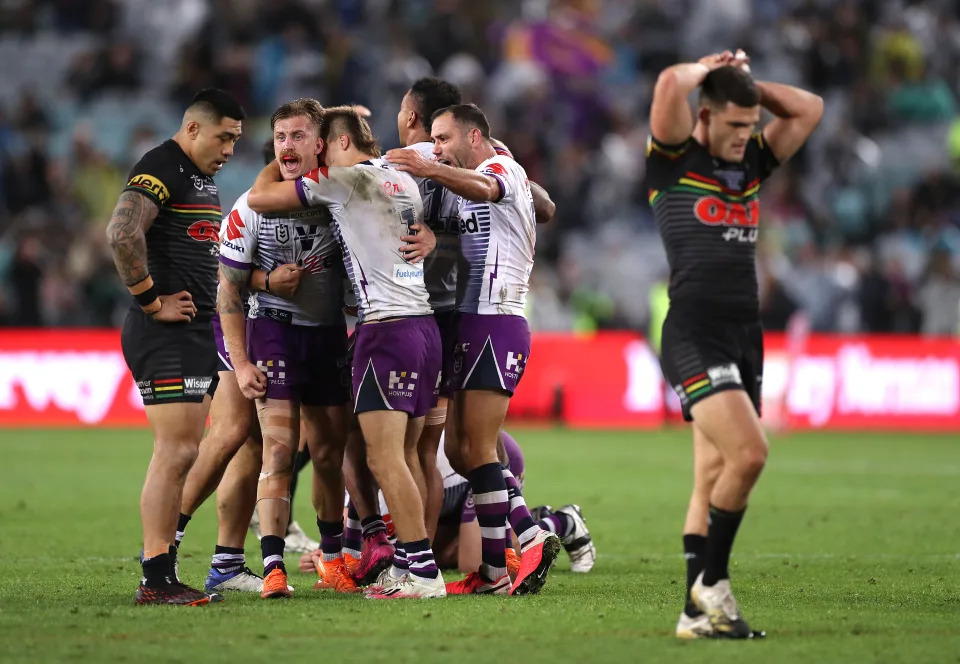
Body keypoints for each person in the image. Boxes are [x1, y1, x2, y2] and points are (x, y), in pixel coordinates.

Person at [647, 50, 822, 638]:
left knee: (712, 475)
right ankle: (713, 582)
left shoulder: (747, 164)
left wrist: (748, 88)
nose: (746, 136)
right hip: (694, 329)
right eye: (735, 125)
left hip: (746, 333)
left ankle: (697, 617)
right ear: (704, 116)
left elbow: (809, 109)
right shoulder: (673, 160)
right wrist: (710, 69)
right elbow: (671, 81)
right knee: (751, 454)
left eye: (751, 127)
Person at [247, 106, 445, 599]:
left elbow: (260, 198)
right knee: (404, 455)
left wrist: (282, 157)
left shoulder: (346, 180)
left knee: (383, 459)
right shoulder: (401, 179)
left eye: (312, 143)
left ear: (333, 143)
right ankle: (410, 565)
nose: (301, 152)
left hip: (386, 331)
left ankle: (422, 573)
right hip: (424, 330)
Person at [386, 104, 561, 597]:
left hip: (496, 320)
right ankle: (491, 571)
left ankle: (531, 533)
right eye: (433, 141)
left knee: (479, 447)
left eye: (443, 139)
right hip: (473, 321)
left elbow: (491, 190)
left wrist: (425, 167)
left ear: (475, 136)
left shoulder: (499, 168)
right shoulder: (469, 184)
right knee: (463, 451)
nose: (436, 147)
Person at [107, 89, 245, 606]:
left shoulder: (199, 178)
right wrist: (150, 301)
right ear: (192, 128)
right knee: (176, 451)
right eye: (223, 136)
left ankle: (161, 572)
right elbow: (121, 234)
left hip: (194, 330)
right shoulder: (161, 166)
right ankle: (155, 577)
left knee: (183, 452)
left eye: (235, 138)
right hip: (166, 330)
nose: (230, 147)